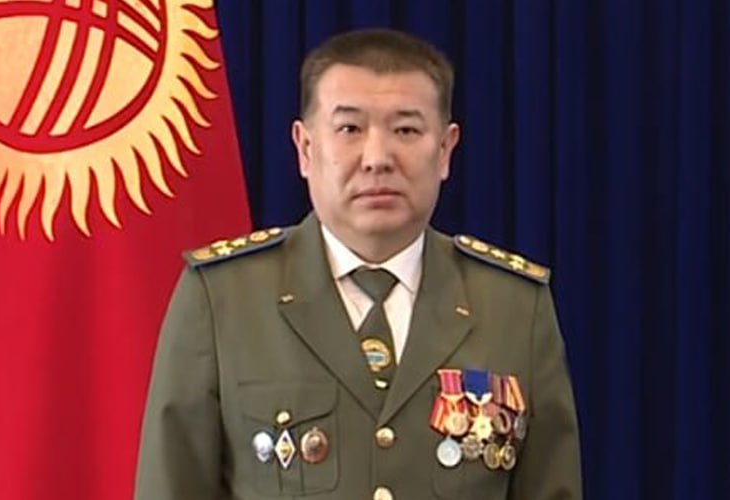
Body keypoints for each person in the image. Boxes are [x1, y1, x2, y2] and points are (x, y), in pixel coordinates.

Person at [134, 28, 581, 500]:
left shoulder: (514, 307)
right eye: (349, 129)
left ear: (445, 151)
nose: (377, 158)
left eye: (406, 130)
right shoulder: (223, 299)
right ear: (306, 149)